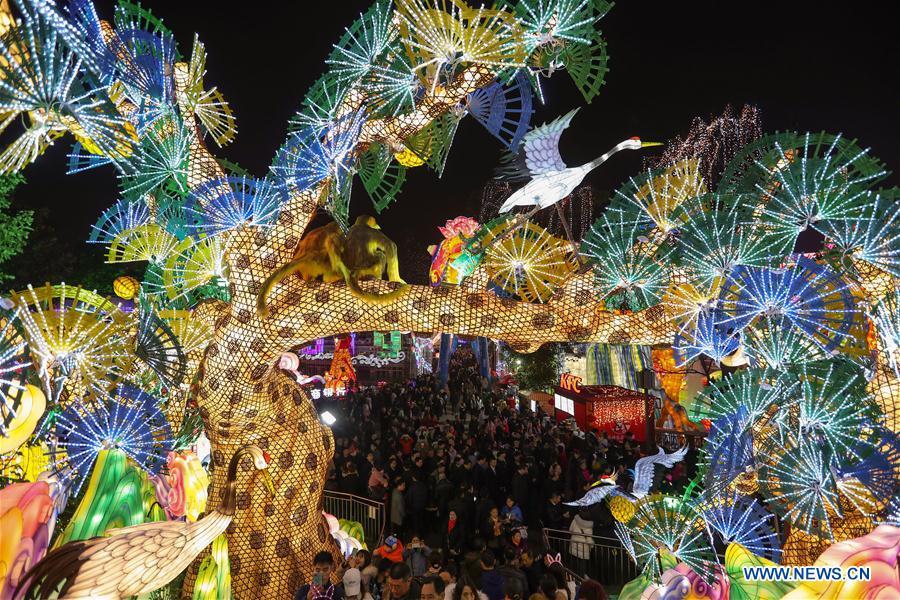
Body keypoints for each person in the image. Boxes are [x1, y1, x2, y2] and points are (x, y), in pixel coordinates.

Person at [567, 509, 594, 579]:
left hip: (574, 544)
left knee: (574, 563)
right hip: (583, 548)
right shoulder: (589, 525)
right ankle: (581, 578)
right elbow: (589, 539)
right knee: (582, 565)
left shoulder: (575, 520)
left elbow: (570, 530)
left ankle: (573, 577)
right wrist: (592, 545)